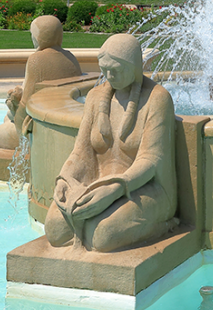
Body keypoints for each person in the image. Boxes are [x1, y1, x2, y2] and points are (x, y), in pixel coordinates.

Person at [44, 33, 178, 252]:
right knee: (55, 230)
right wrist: (65, 179)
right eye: (104, 69)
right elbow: (81, 152)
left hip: (147, 188)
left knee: (103, 236)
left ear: (134, 67)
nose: (109, 75)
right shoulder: (96, 97)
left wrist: (115, 189)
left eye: (116, 69)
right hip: (98, 182)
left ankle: (164, 225)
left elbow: (151, 159)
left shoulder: (156, 98)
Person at [0, 15, 82, 150]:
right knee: (6, 118)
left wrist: (16, 107)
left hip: (41, 128)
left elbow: (26, 103)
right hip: (59, 119)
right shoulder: (70, 58)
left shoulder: (37, 60)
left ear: (39, 37)